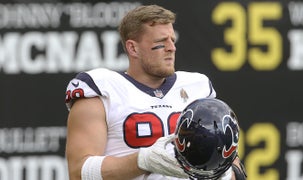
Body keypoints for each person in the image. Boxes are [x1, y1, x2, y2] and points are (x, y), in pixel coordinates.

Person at [64, 4, 246, 180]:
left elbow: (229, 153)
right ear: (133, 48)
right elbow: (79, 172)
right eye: (161, 42)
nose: (171, 48)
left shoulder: (197, 87)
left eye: (172, 40)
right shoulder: (102, 88)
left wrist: (227, 173)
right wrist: (142, 161)